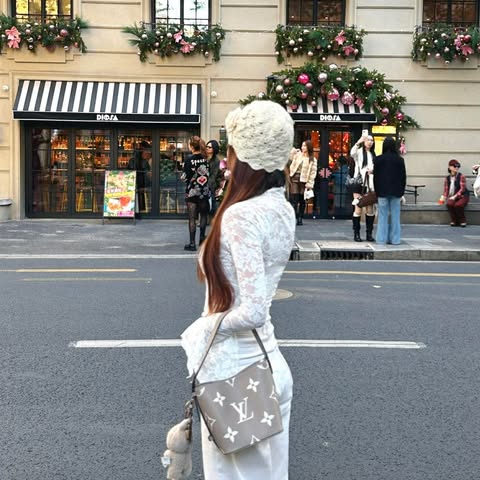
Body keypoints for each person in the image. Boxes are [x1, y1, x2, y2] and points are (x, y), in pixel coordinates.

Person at [180, 100, 295, 480]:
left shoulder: (241, 215)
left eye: (231, 148)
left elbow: (253, 310)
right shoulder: (281, 207)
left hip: (236, 375)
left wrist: (203, 329)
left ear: (243, 155)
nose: (226, 160)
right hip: (269, 365)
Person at [373, 136, 406, 245]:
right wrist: (402, 192)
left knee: (382, 216)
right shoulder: (400, 160)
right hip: (396, 191)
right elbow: (403, 177)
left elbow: (376, 178)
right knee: (395, 217)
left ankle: (381, 239)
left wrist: (377, 191)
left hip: (382, 191)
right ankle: (395, 239)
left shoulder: (378, 160)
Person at [183, 136, 210, 250]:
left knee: (192, 219)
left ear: (191, 146)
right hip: (204, 191)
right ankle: (202, 240)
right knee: (203, 216)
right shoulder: (206, 158)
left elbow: (186, 176)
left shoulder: (189, 159)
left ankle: (192, 243)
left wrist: (184, 177)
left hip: (192, 192)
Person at [350, 133, 376, 242]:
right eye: (368, 140)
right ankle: (356, 234)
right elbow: (352, 153)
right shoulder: (359, 152)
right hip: (359, 183)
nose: (370, 142)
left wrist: (373, 171)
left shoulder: (373, 154)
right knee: (358, 207)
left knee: (370, 209)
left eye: (372, 140)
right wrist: (359, 141)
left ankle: (369, 234)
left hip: (370, 185)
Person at [288, 140, 317, 225]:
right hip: (295, 178)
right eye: (302, 146)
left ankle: (300, 217)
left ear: (308, 147)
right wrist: (294, 151)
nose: (302, 147)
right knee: (294, 199)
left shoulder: (312, 159)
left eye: (304, 146)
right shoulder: (298, 155)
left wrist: (310, 184)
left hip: (304, 181)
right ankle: (293, 218)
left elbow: (313, 173)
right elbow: (289, 156)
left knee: (302, 200)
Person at [443, 159, 469, 227]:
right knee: (449, 204)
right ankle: (454, 220)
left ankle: (462, 221)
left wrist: (454, 197)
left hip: (463, 196)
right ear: (450, 167)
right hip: (453, 196)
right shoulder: (447, 178)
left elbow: (462, 189)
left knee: (458, 205)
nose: (456, 167)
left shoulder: (461, 176)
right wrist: (443, 198)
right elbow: (446, 190)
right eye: (455, 166)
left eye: (458, 166)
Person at [128, 141, 151, 216]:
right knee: (142, 194)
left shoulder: (131, 161)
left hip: (133, 182)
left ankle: (133, 209)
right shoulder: (144, 162)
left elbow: (128, 171)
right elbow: (148, 173)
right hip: (143, 183)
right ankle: (142, 208)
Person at [206, 139, 223, 217]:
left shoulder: (216, 161)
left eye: (209, 147)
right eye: (206, 146)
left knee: (212, 204)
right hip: (200, 184)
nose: (207, 148)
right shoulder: (203, 158)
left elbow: (214, 175)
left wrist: (207, 185)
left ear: (214, 149)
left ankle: (213, 219)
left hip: (210, 185)